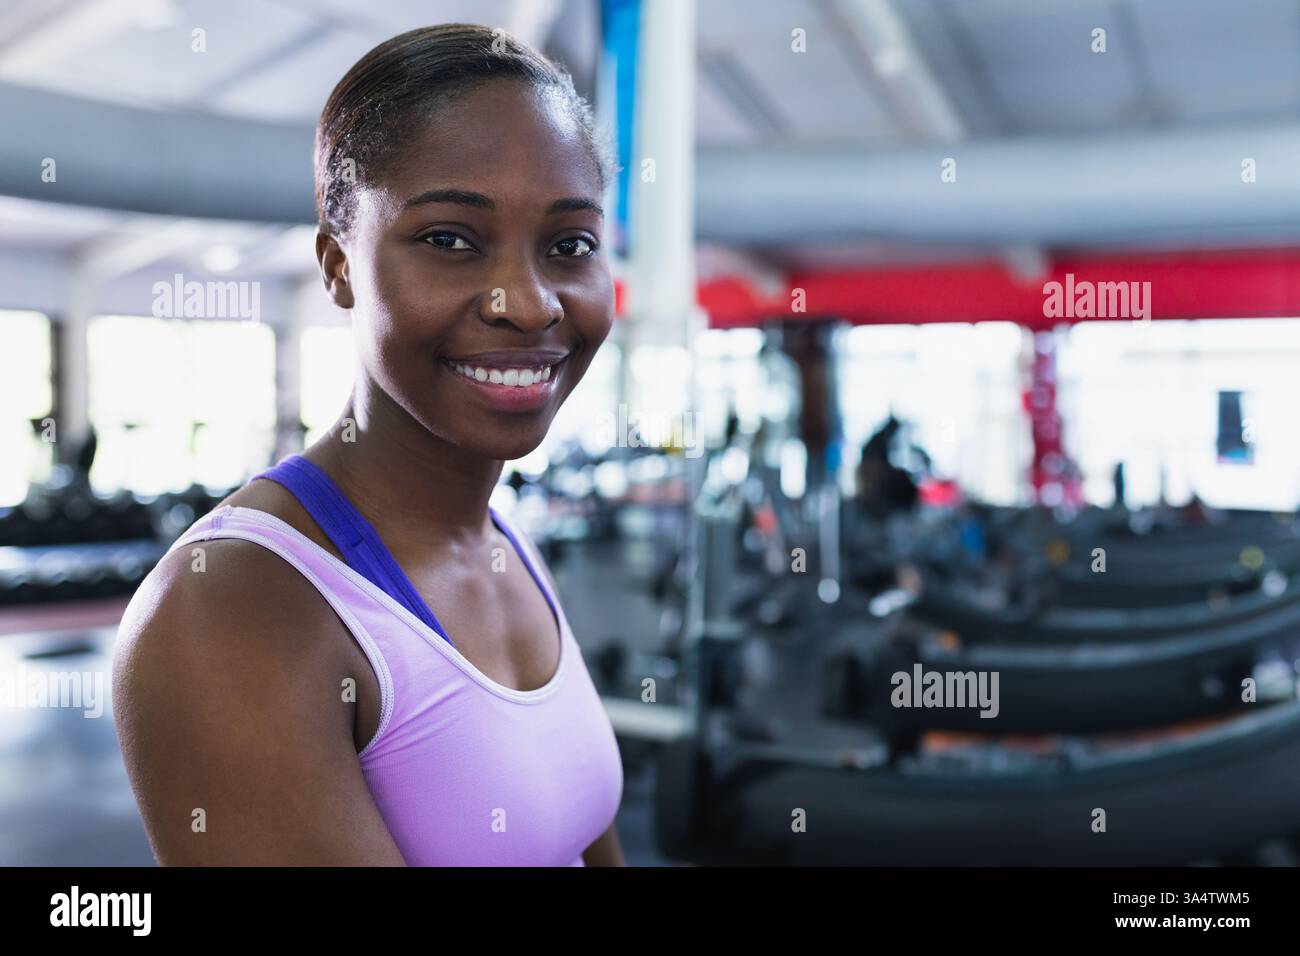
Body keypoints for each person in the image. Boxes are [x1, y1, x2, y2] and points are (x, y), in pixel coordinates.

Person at [112, 24, 626, 866]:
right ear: (339, 264)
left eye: (569, 245)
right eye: (450, 239)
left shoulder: (506, 544)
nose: (529, 305)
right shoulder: (229, 609)